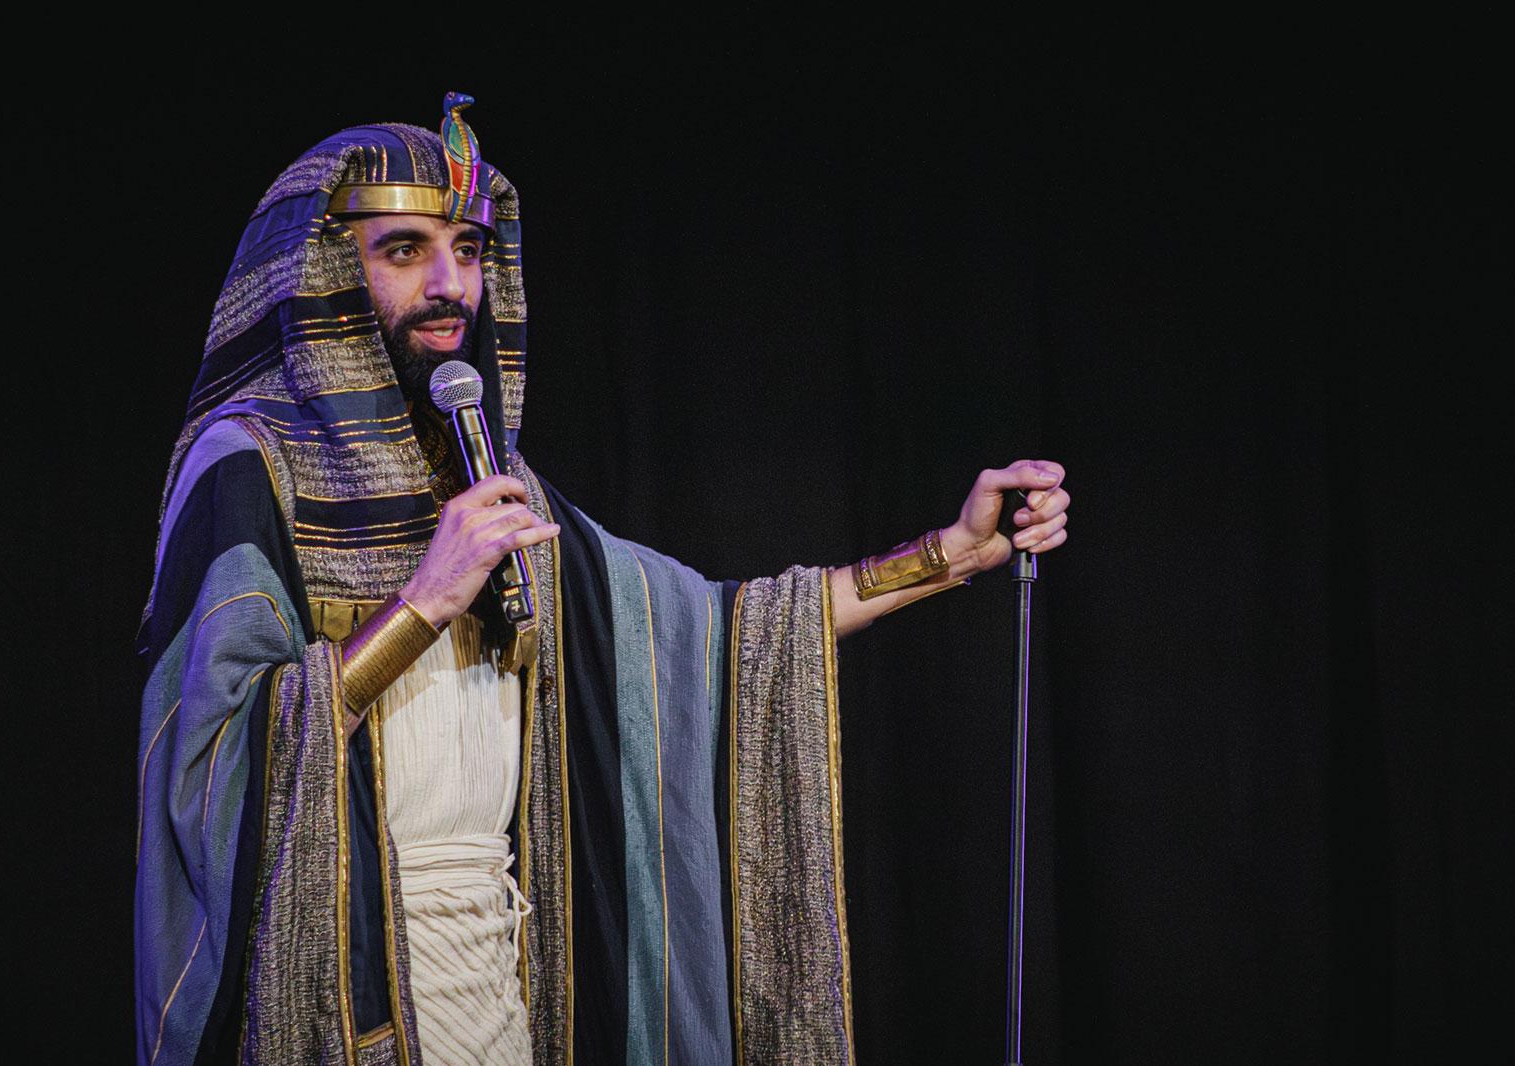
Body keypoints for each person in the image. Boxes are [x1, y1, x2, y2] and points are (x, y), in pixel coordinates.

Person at [135, 93, 1070, 1066]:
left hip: (495, 979)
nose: (450, 284)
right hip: (344, 983)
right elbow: (209, 763)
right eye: (404, 250)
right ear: (326, 268)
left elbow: (717, 635)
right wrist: (423, 603)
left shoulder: (490, 477)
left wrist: (947, 555)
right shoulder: (248, 469)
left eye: (468, 249)